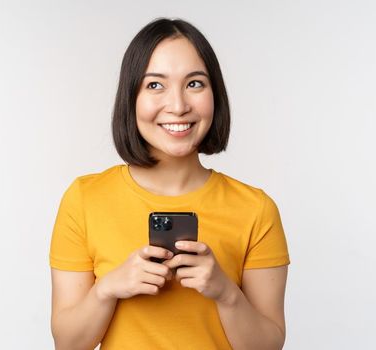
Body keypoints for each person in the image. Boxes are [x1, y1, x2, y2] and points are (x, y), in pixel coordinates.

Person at [49, 18, 290, 350]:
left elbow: (269, 346)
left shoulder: (256, 209)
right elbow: (68, 344)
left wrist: (225, 292)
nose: (178, 106)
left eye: (194, 84)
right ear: (130, 97)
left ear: (215, 94)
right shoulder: (84, 200)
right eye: (155, 85)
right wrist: (107, 289)